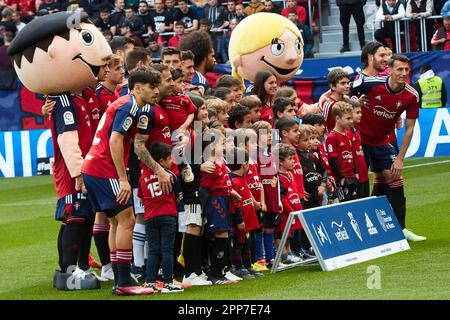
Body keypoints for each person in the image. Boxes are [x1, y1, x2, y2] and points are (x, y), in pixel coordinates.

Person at [82, 69, 161, 296]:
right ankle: (124, 281)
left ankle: (120, 279)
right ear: (137, 88)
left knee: (117, 223)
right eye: (151, 86)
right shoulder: (129, 106)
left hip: (94, 167)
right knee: (127, 220)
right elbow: (115, 140)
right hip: (103, 169)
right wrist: (123, 179)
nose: (156, 90)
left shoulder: (126, 103)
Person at [350, 54, 426, 241]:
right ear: (389, 70)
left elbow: (410, 128)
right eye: (399, 69)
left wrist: (400, 158)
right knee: (358, 183)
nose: (404, 73)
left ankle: (401, 230)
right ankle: (359, 229)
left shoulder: (412, 94)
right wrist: (354, 101)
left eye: (406, 69)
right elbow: (348, 92)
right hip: (359, 138)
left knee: (394, 178)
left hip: (383, 141)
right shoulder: (370, 84)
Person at [138, 142, 184, 293]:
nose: (172, 162)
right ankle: (168, 282)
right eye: (169, 159)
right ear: (161, 162)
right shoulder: (170, 176)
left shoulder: (143, 177)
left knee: (153, 250)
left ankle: (150, 282)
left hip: (150, 217)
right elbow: (178, 198)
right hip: (167, 216)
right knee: (167, 250)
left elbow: (141, 198)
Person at [179, 94, 215, 286]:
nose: (205, 112)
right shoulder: (186, 134)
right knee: (193, 226)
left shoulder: (198, 131)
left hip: (198, 186)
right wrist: (198, 167)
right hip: (189, 187)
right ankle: (189, 273)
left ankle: (196, 270)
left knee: (197, 227)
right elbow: (177, 160)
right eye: (201, 108)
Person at [199, 128, 238, 285]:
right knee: (221, 235)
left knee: (224, 235)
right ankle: (215, 274)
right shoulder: (210, 164)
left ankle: (221, 271)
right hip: (216, 202)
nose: (225, 146)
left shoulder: (221, 161)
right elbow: (204, 189)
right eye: (222, 143)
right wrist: (203, 210)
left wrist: (231, 192)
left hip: (224, 199)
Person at [228, 146, 263, 278]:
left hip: (249, 218)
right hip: (241, 221)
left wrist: (254, 203)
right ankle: (238, 267)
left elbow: (247, 193)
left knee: (247, 243)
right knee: (239, 244)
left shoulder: (241, 178)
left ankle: (248, 266)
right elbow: (235, 204)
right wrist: (239, 220)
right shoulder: (233, 181)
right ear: (244, 164)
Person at [249, 121, 280, 268]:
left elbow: (276, 178)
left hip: (273, 196)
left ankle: (271, 257)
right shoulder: (254, 155)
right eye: (266, 133)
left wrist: (278, 199)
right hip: (262, 198)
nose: (270, 136)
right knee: (260, 227)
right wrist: (261, 200)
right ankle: (259, 258)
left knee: (270, 227)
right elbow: (256, 179)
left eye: (270, 132)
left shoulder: (271, 154)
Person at [325, 101, 359, 202]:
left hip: (352, 176)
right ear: (337, 119)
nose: (351, 121)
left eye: (351, 118)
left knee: (354, 203)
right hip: (342, 179)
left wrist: (356, 172)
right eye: (348, 118)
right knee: (344, 204)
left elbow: (352, 155)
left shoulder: (349, 134)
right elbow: (333, 159)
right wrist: (341, 178)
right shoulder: (332, 137)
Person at [179, 30, 216, 96]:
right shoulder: (199, 82)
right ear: (204, 56)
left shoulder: (182, 79)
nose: (214, 60)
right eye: (212, 56)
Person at [346, 99, 370, 198]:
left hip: (364, 174)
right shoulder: (346, 133)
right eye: (357, 112)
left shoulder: (356, 130)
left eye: (360, 112)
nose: (360, 115)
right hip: (355, 177)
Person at [320, 68, 351, 135]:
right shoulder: (328, 104)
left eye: (348, 83)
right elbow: (325, 128)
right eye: (343, 83)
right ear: (332, 86)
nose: (347, 86)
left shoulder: (348, 100)